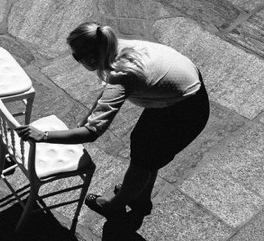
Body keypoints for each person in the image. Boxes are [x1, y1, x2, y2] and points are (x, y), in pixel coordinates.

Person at [14, 22, 209, 219]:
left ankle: (114, 206)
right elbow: (104, 99)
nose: (75, 60)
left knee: (144, 158)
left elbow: (92, 133)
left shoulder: (122, 74)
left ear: (90, 58)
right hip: (182, 91)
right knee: (146, 148)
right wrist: (87, 119)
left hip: (186, 111)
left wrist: (43, 135)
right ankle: (140, 197)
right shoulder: (113, 46)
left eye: (75, 56)